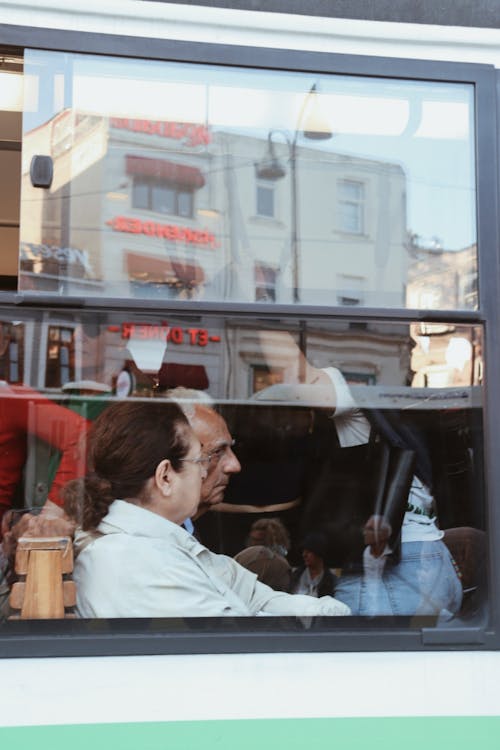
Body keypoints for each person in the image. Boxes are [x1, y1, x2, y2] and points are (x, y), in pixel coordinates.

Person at [66, 400, 350, 618]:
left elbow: (256, 599)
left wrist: (334, 617)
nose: (203, 475)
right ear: (165, 477)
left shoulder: (161, 544)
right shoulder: (135, 561)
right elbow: (242, 644)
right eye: (199, 462)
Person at [255, 329, 463, 618]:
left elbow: (301, 377)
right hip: (431, 557)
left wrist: (262, 320)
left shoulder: (352, 404)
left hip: (396, 570)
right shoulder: (398, 422)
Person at [289, 532, 337, 599]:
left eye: (309, 552)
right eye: (303, 551)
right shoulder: (296, 576)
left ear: (319, 553)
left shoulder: (331, 582)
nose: (304, 555)